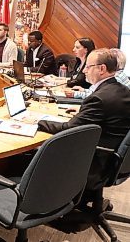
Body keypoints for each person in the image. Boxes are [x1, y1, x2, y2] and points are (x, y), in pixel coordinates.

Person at [38, 48, 130, 190]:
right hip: (112, 157)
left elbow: (68, 128)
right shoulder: (122, 90)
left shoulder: (99, 98)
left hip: (96, 162)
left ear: (102, 69)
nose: (85, 71)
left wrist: (37, 122)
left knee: (38, 153)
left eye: (88, 66)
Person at [65, 48, 130, 99]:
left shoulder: (116, 78)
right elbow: (97, 92)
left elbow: (101, 95)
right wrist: (84, 90)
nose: (84, 71)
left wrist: (75, 94)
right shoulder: (120, 74)